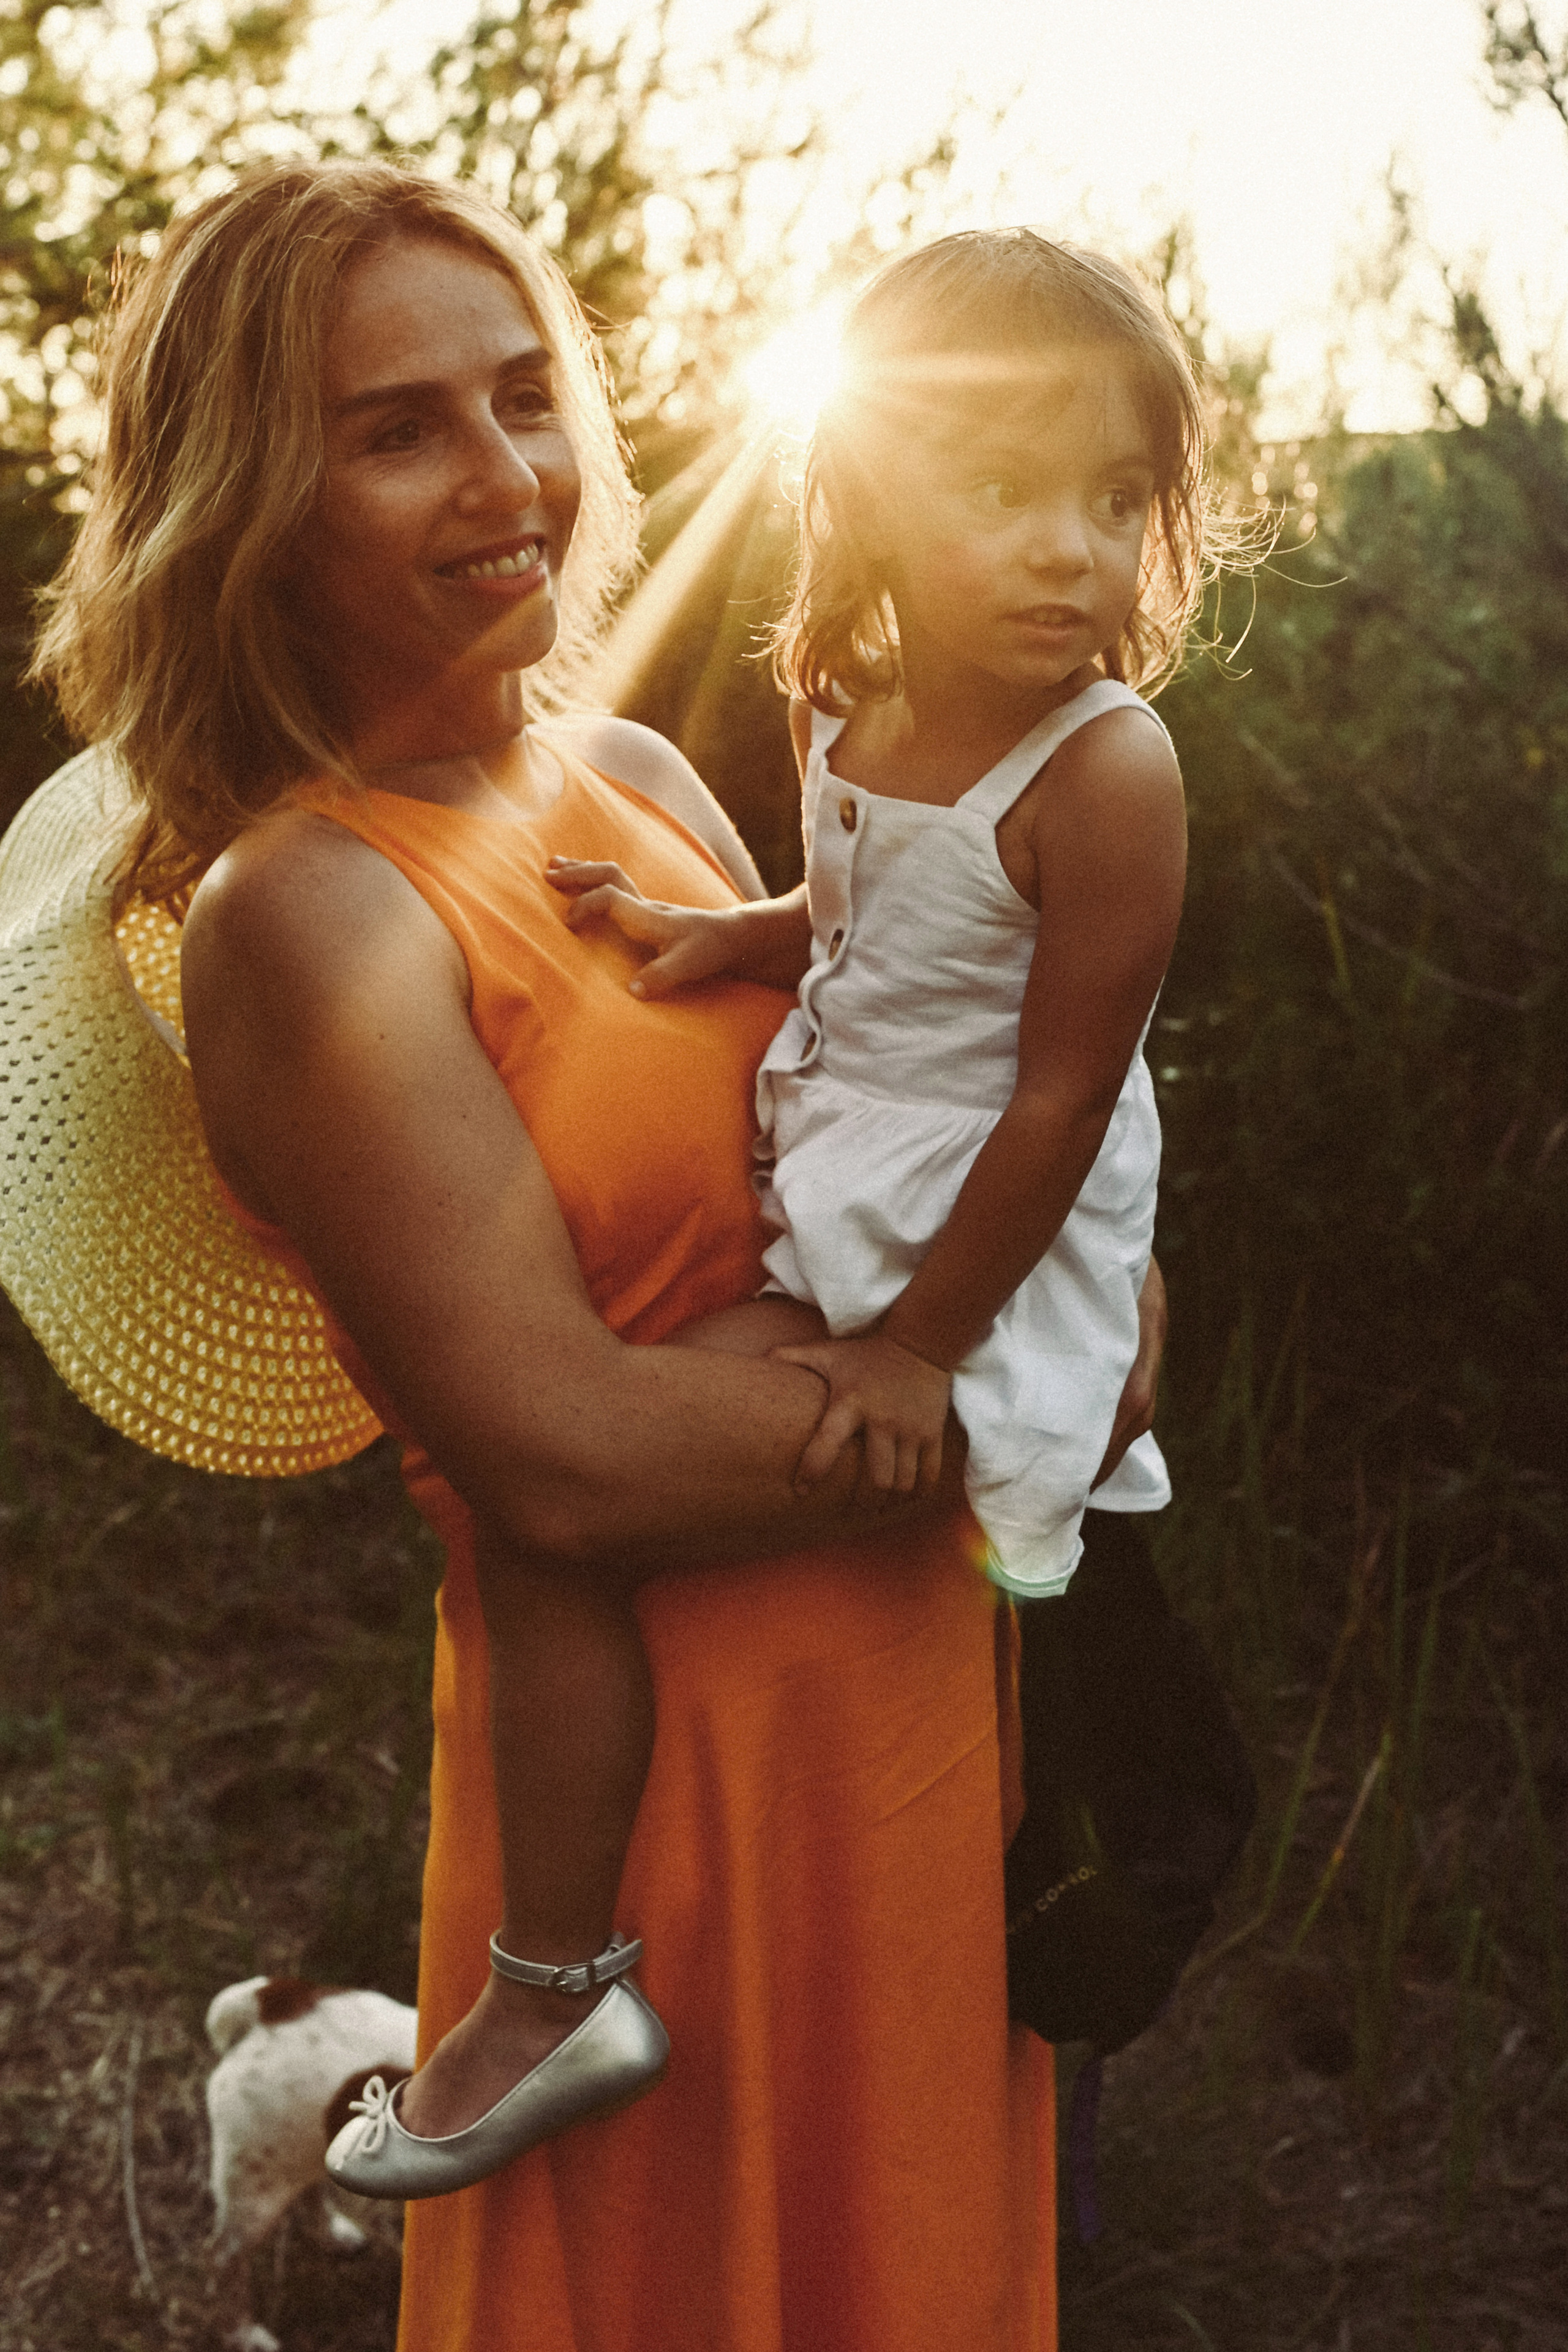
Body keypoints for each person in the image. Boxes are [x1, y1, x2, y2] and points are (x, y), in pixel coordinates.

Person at [30, 164, 1165, 2349]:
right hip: (662, 1817)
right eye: (396, 430)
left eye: (526, 395)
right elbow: (562, 1458)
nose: (507, 477)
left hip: (915, 1733)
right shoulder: (310, 911)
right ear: (251, 505)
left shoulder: (637, 773)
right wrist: (1048, 1391)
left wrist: (1084, 1267)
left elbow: (878, 1128)